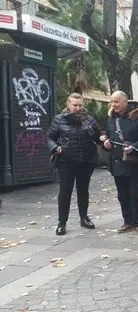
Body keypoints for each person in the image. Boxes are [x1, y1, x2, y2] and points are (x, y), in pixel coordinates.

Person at [47, 93, 102, 235]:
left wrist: (103, 139)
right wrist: (55, 147)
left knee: (83, 190)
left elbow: (98, 136)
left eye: (80, 105)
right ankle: (62, 222)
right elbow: (49, 137)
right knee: (65, 191)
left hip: (86, 160)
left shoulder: (88, 120)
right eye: (74, 105)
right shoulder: (59, 119)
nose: (77, 108)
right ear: (68, 105)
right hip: (66, 160)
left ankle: (84, 218)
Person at [102, 91, 138, 236]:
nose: (113, 105)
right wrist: (106, 143)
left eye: (116, 102)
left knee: (134, 193)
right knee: (122, 194)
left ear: (125, 102)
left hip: (134, 162)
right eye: (112, 102)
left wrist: (133, 146)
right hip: (117, 162)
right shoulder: (112, 118)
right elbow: (109, 137)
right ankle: (127, 221)